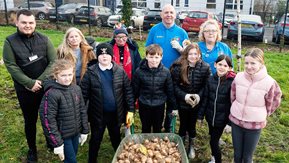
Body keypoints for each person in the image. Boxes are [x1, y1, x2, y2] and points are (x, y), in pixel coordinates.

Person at [3, 9, 56, 162]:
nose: (28, 25)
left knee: (48, 116)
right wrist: (29, 83)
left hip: (45, 87)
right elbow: (11, 66)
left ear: (35, 23)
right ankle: (32, 149)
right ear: (17, 23)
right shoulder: (9, 41)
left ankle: (50, 141)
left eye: (31, 22)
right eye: (24, 22)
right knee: (30, 120)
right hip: (25, 89)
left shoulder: (45, 39)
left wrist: (39, 81)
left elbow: (53, 63)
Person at [80, 43, 135, 163]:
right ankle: (92, 159)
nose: (104, 57)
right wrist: (81, 114)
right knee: (96, 138)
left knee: (115, 137)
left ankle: (119, 157)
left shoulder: (119, 71)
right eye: (101, 54)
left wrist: (130, 110)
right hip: (97, 114)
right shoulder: (90, 73)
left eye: (107, 54)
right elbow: (83, 95)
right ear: (97, 56)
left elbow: (128, 92)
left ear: (112, 56)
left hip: (115, 114)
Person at [229, 48, 282, 163]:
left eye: (253, 63)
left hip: (254, 126)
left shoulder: (269, 82)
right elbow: (233, 96)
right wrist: (236, 108)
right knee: (237, 155)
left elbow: (274, 101)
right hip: (236, 122)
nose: (249, 66)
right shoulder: (238, 77)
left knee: (247, 158)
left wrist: (264, 113)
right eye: (246, 63)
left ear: (261, 63)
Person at [146, 4, 189, 132]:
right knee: (158, 99)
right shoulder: (155, 30)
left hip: (175, 73)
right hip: (156, 72)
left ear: (175, 15)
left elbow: (189, 54)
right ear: (161, 15)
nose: (169, 15)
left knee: (172, 100)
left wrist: (180, 49)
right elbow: (148, 49)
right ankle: (155, 125)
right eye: (166, 13)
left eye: (171, 12)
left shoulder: (181, 32)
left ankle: (168, 126)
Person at [39, 59, 89, 163]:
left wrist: (84, 130)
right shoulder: (52, 94)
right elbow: (48, 120)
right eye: (63, 75)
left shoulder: (76, 89)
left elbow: (82, 110)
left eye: (70, 74)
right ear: (55, 75)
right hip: (62, 136)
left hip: (75, 132)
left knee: (72, 156)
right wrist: (57, 143)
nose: (67, 79)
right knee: (71, 160)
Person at [170, 43, 211, 159]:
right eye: (190, 54)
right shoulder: (178, 67)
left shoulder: (205, 67)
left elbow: (206, 86)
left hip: (196, 104)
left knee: (192, 126)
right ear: (186, 55)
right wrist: (185, 96)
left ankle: (191, 145)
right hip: (183, 102)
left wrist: (198, 96)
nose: (193, 56)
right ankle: (181, 144)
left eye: (195, 54)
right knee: (183, 124)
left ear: (199, 55)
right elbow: (174, 86)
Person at [198, 55, 236, 163]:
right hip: (210, 116)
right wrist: (200, 116)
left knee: (213, 142)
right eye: (220, 64)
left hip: (222, 118)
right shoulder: (210, 79)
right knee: (212, 135)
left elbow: (234, 104)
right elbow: (205, 98)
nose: (222, 67)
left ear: (229, 68)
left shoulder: (232, 82)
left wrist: (230, 123)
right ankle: (213, 156)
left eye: (225, 65)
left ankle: (217, 160)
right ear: (215, 65)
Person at [132, 44, 177, 133]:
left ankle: (156, 144)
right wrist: (130, 107)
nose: (154, 60)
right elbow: (134, 90)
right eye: (151, 57)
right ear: (146, 57)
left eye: (156, 57)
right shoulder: (139, 71)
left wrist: (174, 107)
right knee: (145, 127)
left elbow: (170, 91)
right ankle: (145, 145)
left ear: (161, 57)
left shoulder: (166, 72)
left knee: (157, 127)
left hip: (159, 105)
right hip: (144, 104)